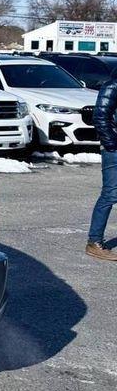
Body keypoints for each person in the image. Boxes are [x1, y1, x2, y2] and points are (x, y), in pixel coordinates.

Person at [89, 76, 117, 260]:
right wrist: (112, 144)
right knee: (111, 194)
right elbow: (99, 115)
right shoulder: (112, 85)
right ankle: (94, 242)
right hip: (113, 148)